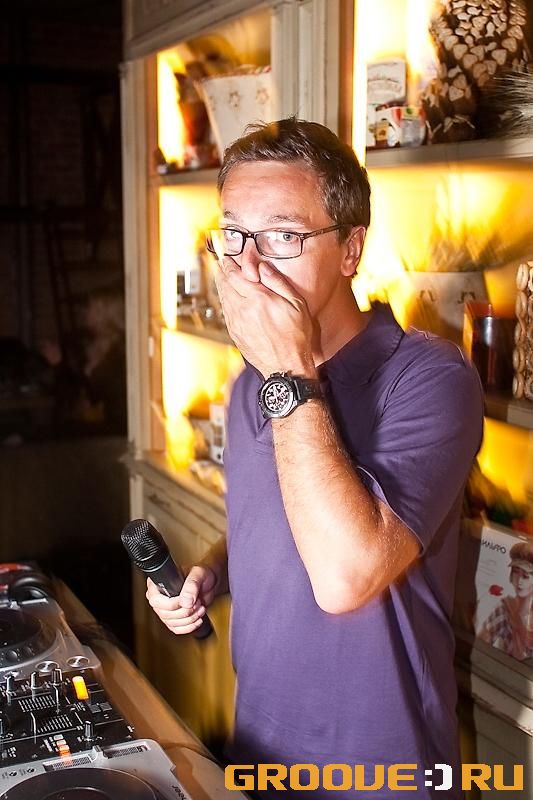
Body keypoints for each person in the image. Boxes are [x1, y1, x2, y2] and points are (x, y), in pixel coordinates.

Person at [146, 118, 484, 799]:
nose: (249, 266)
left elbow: (345, 576)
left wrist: (287, 369)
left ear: (350, 248)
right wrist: (214, 570)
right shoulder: (253, 382)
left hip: (384, 767)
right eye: (233, 234)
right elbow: (268, 518)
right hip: (261, 745)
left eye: (283, 236)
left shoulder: (429, 378)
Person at [479, 541, 533, 661]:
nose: (519, 581)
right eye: (515, 572)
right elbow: (480, 646)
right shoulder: (504, 609)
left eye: (525, 576)